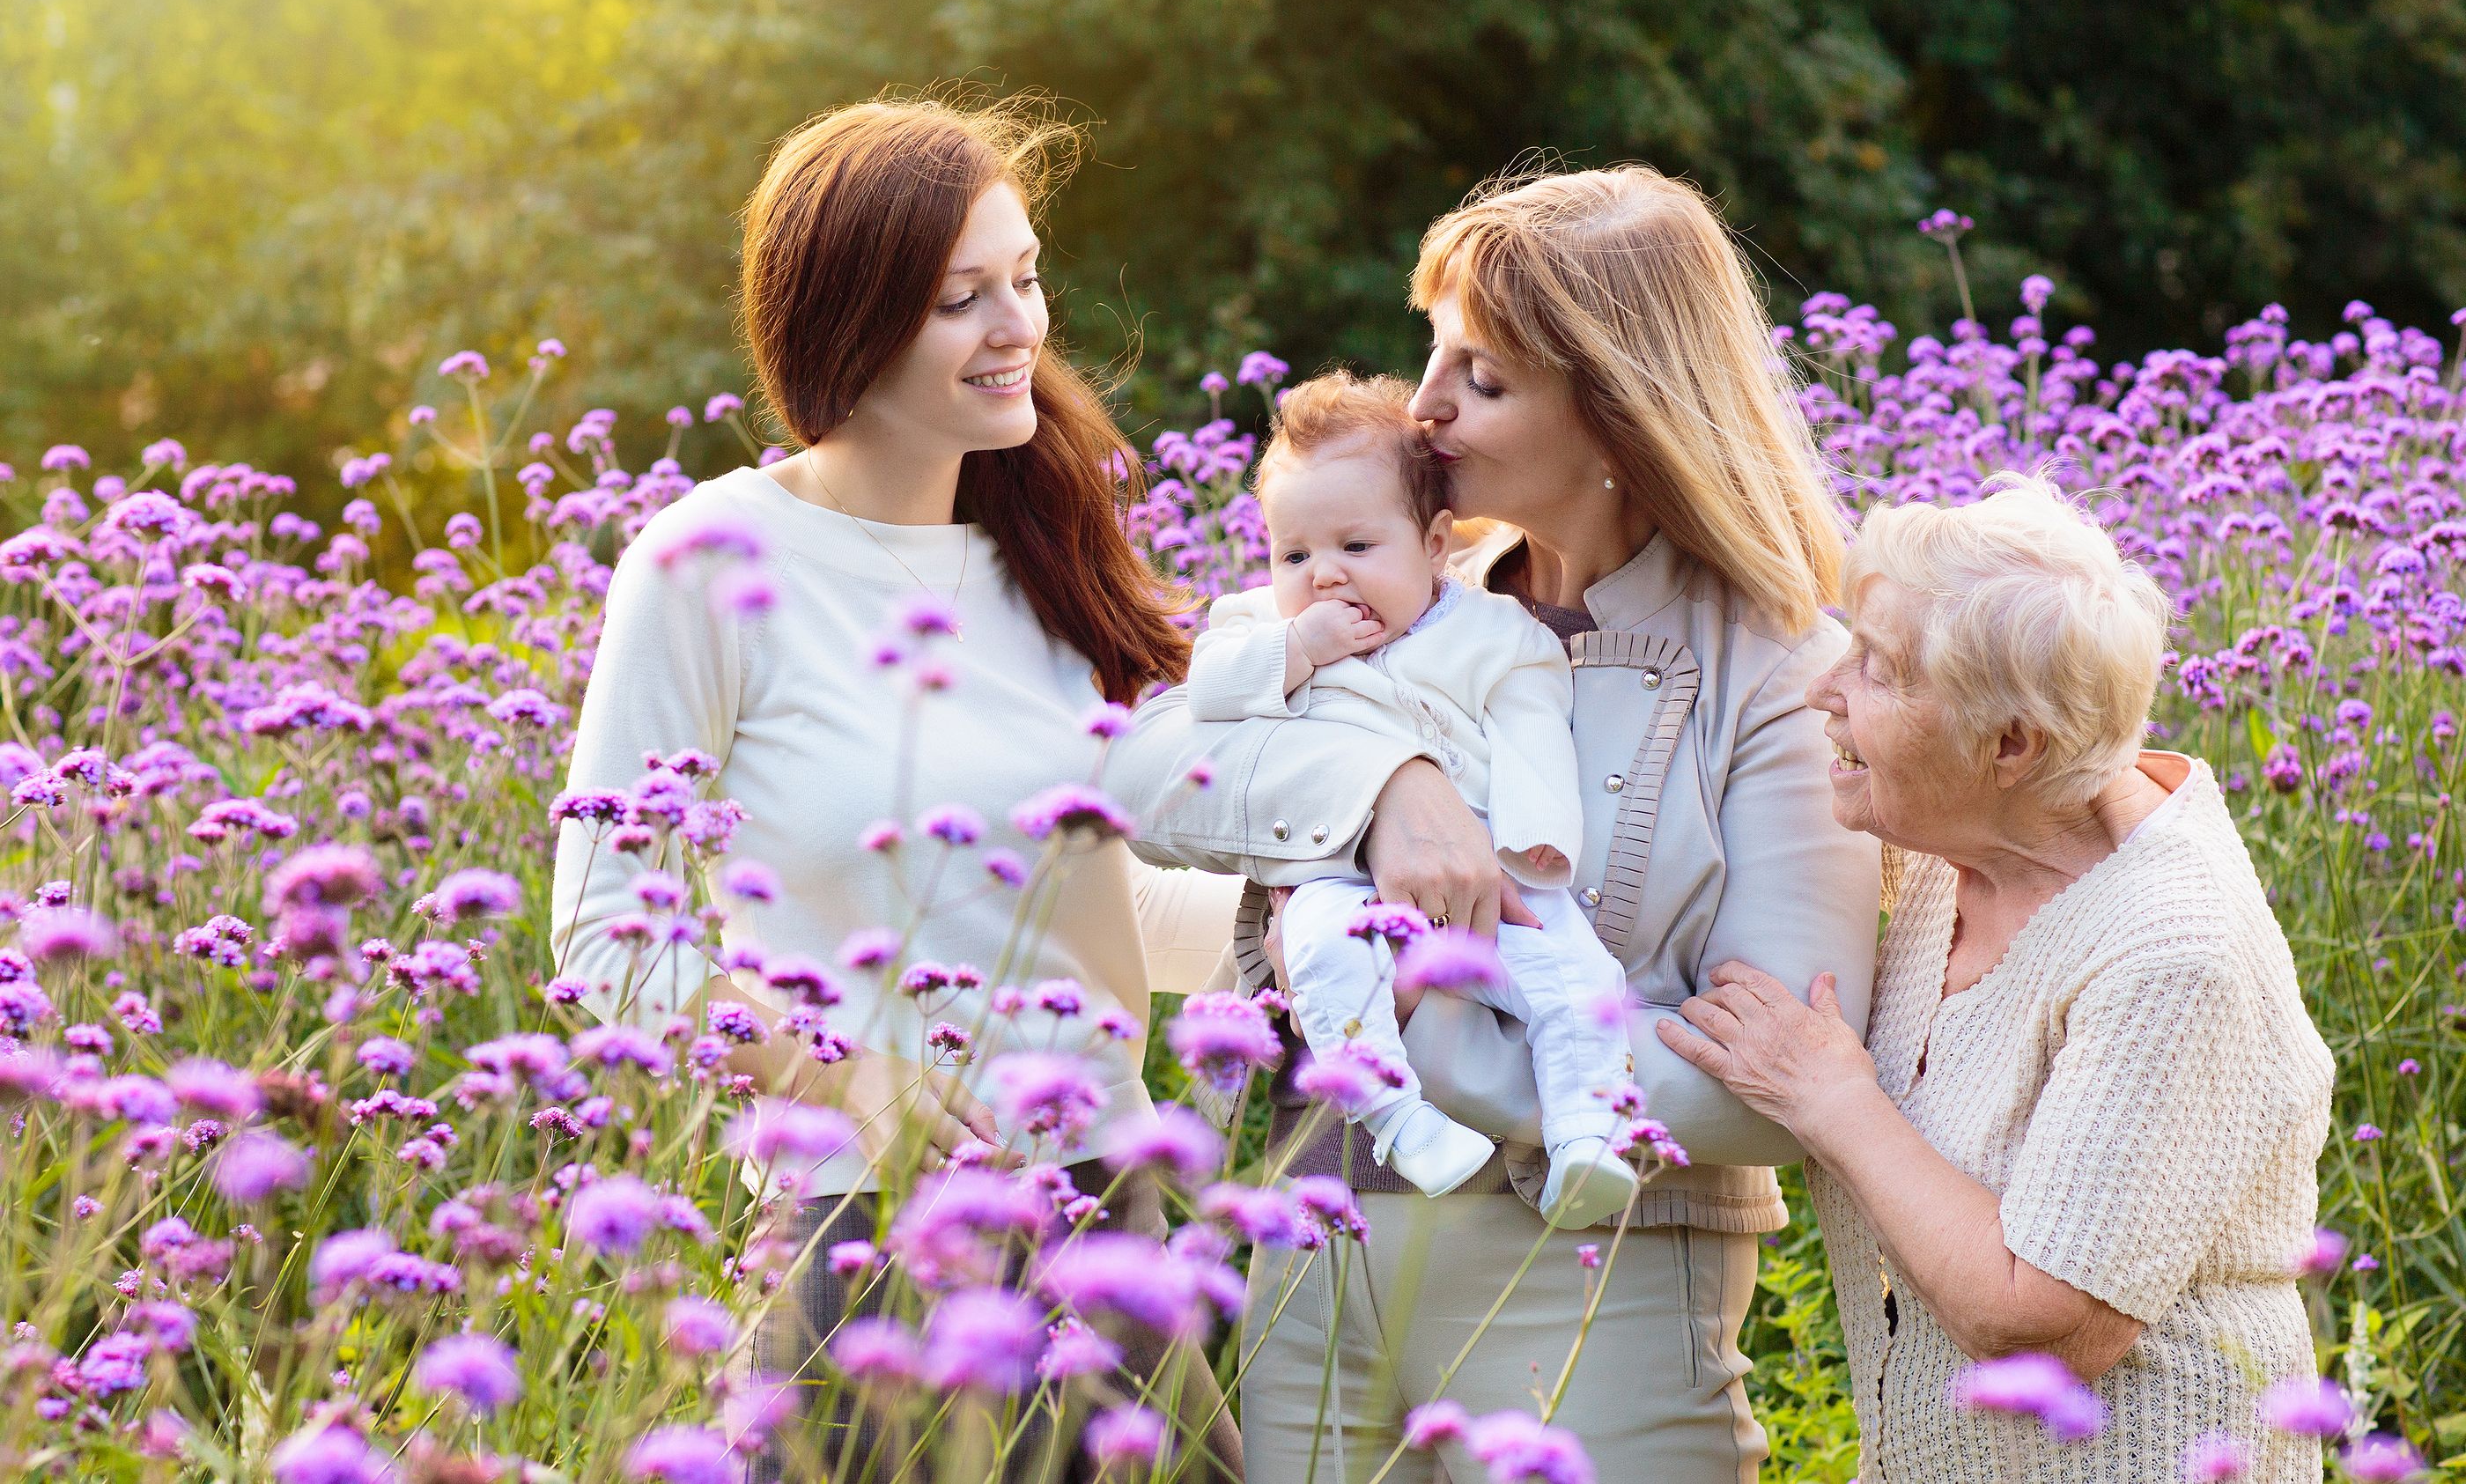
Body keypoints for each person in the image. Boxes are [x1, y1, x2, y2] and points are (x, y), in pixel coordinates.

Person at [1109, 166, 1884, 1482]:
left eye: (1483, 375)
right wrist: (1386, 781)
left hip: (1596, 1288)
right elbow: (1150, 784)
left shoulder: (1784, 672)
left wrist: (1432, 1034)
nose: (1423, 407)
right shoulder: (1399, 588)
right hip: (1319, 1253)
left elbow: (1777, 1079)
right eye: (1434, 352)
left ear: (1616, 413)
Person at [550, 97, 1244, 1480]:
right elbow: (601, 944)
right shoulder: (709, 561)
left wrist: (1326, 925)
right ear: (846, 323)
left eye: (1027, 278)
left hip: (1109, 1219)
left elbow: (1087, 895)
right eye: (960, 299)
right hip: (865, 1235)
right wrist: (868, 1087)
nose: (1020, 330)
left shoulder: (1042, 545)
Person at [1658, 476, 2335, 1484]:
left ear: (2008, 744)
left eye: (1877, 672)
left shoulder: (2169, 954)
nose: (1823, 691)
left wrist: (1832, 1096)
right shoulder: (1952, 844)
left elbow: (2040, 1327)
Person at [1186, 370, 1638, 1223]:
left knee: (1576, 976)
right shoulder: (1258, 629)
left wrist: (1538, 839)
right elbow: (1208, 695)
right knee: (1319, 955)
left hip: (1482, 868)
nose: (1322, 576)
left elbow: (1531, 715)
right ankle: (1394, 1117)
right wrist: (1298, 649)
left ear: (1434, 545)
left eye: (1356, 548)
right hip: (1335, 867)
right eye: (1293, 554)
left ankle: (1587, 1132)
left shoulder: (1488, 630)